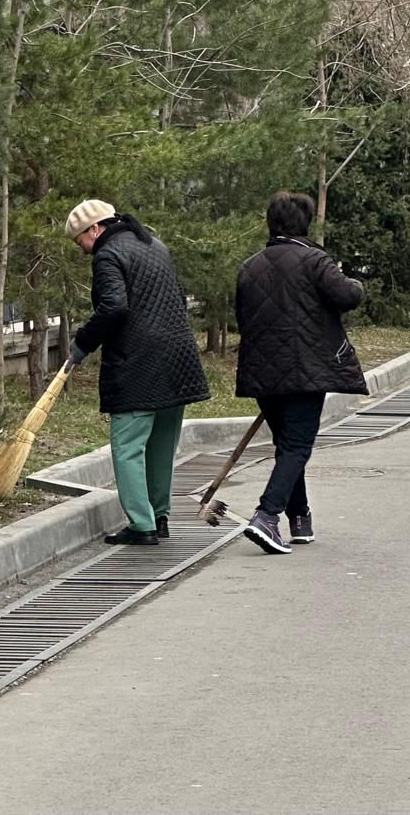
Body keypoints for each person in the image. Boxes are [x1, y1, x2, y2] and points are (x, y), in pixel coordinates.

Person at [66, 199, 209, 546]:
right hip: (177, 359)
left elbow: (114, 307)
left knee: (127, 446)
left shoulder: (107, 254)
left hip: (138, 363)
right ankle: (159, 517)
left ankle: (141, 525)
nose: (83, 250)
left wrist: (83, 342)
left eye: (80, 241)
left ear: (95, 229)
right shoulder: (153, 244)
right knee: (162, 445)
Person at [234, 192, 367, 555]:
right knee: (297, 446)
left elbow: (242, 317)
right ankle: (266, 516)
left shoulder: (251, 265)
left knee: (286, 445)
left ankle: (300, 518)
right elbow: (347, 296)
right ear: (305, 224)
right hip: (305, 368)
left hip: (263, 371)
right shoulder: (315, 261)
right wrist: (355, 282)